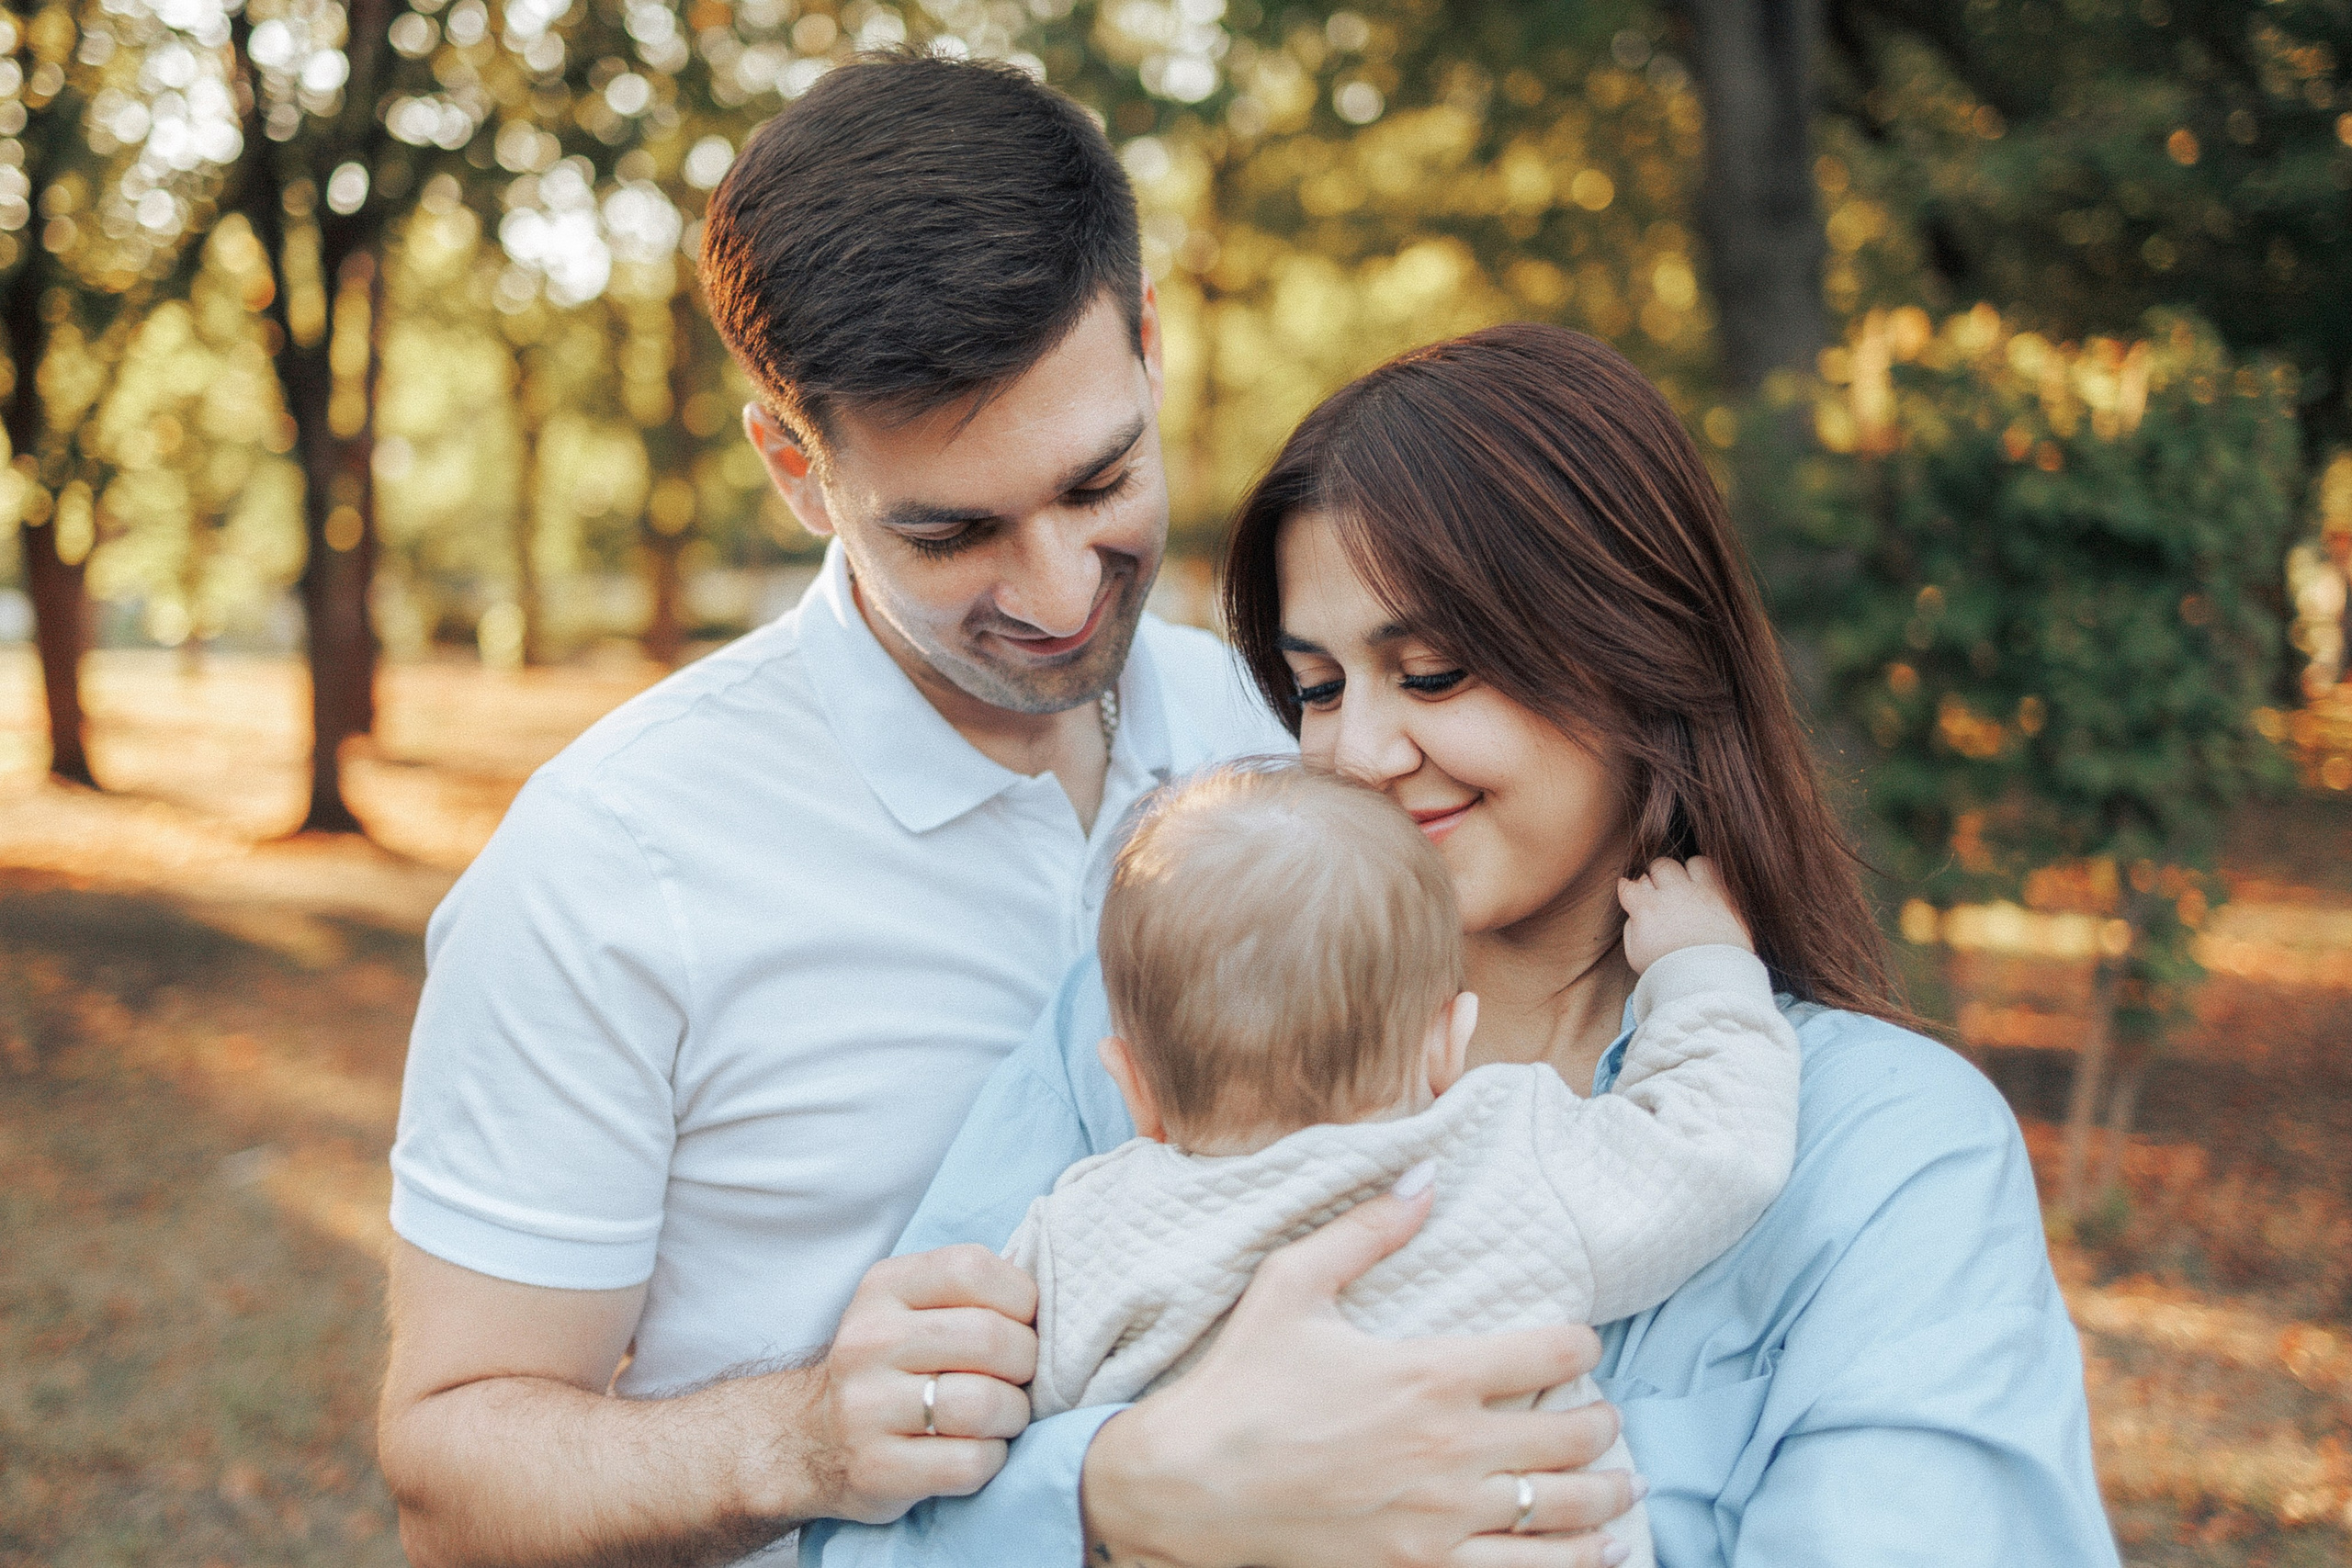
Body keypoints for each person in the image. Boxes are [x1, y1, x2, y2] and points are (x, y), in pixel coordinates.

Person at [378, 54, 1636, 1568]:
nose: (1053, 593)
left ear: (1148, 343)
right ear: (796, 467)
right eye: (953, 531)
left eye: (1099, 479)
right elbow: (451, 1468)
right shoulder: (609, 863)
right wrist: (793, 1436)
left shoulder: (1308, 745)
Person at [813, 324, 2120, 1566]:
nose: (1356, 752)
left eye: (1431, 673)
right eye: (1317, 687)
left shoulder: (1886, 1150)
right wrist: (1123, 1488)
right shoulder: (1154, 1004)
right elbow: (866, 1518)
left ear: (1640, 654)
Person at [1004, 761, 1809, 1568]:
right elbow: (1713, 1150)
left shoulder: (1074, 1231)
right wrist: (1702, 964)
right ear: (1449, 1042)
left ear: (1131, 1083)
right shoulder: (1497, 1155)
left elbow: (989, 1424)